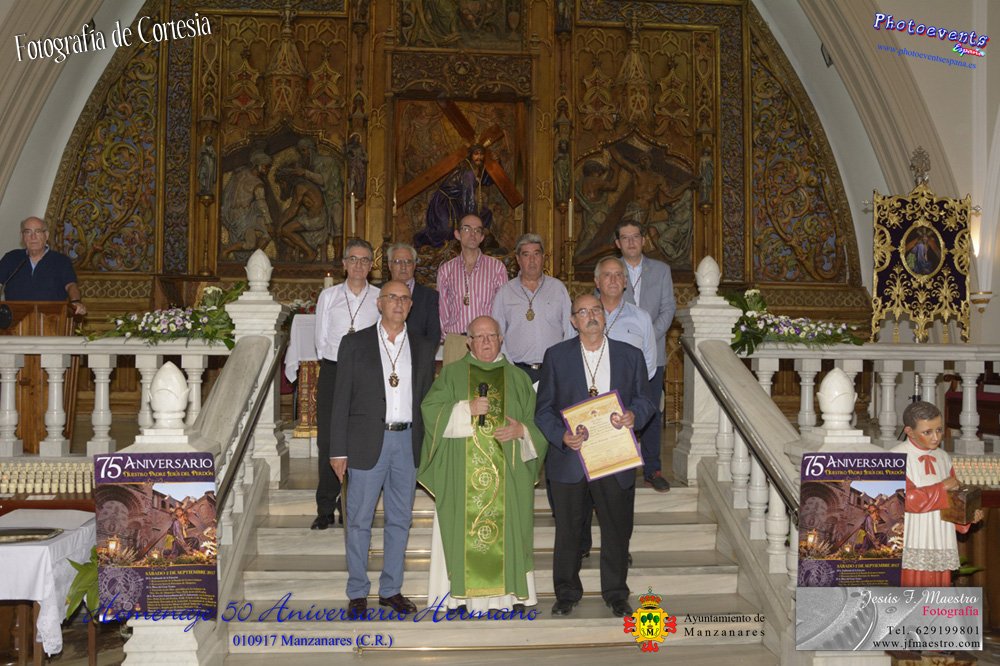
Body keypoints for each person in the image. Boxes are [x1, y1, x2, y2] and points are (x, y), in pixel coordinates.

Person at [535, 294, 654, 618]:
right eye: (583, 312)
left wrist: (634, 415)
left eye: (596, 310)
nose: (591, 316)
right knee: (569, 532)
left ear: (604, 315)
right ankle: (566, 593)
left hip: (614, 456)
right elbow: (543, 410)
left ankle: (616, 594)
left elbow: (646, 400)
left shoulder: (630, 355)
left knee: (616, 529)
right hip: (570, 459)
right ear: (573, 320)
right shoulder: (556, 356)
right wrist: (561, 435)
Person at [419, 316, 547, 612]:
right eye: (480, 336)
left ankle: (511, 595)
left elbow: (539, 423)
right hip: (461, 478)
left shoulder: (518, 378)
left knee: (510, 530)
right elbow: (431, 411)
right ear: (469, 343)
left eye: (492, 335)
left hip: (509, 478)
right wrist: (466, 410)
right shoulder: (452, 374)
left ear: (501, 339)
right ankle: (458, 597)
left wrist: (522, 431)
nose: (487, 341)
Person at [329, 280, 437, 618]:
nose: (399, 303)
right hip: (365, 442)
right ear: (380, 303)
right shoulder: (355, 343)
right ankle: (358, 591)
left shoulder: (422, 346)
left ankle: (391, 589)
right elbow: (340, 399)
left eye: (405, 298)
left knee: (400, 520)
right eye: (392, 297)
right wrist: (337, 449)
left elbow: (427, 399)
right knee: (359, 521)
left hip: (407, 441)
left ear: (411, 305)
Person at [312, 239, 380, 530]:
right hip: (334, 370)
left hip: (366, 375)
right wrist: (333, 363)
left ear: (371, 265)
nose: (358, 265)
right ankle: (325, 507)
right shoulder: (329, 296)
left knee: (358, 439)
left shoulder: (379, 297)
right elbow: (320, 339)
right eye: (353, 259)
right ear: (344, 264)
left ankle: (350, 506)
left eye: (364, 260)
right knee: (329, 439)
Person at [890, 401, 983, 586]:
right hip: (914, 534)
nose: (936, 437)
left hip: (941, 534)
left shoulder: (943, 457)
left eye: (939, 430)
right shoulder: (895, 457)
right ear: (909, 431)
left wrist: (966, 516)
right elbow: (905, 500)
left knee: (939, 591)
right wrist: (941, 487)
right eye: (927, 432)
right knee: (913, 589)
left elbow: (954, 499)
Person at [615, 222, 675, 492]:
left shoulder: (661, 270)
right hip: (619, 353)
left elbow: (668, 308)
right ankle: (618, 466)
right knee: (618, 410)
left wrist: (649, 335)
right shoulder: (610, 269)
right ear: (618, 243)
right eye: (625, 238)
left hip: (654, 353)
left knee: (650, 411)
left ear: (643, 240)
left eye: (635, 237)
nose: (631, 242)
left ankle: (653, 469)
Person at [491, 233, 573, 384]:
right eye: (526, 255)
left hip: (553, 370)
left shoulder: (558, 288)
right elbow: (496, 333)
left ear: (543, 257)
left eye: (536, 254)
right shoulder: (505, 292)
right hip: (517, 370)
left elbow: (570, 330)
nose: (532, 260)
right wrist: (509, 368)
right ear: (518, 259)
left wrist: (563, 363)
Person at [436, 214, 508, 363]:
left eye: (477, 230)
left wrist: (496, 338)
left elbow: (503, 309)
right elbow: (442, 309)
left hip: (486, 342)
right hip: (456, 341)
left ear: (482, 237)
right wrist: (447, 338)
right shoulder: (446, 270)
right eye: (467, 229)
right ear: (457, 234)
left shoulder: (497, 268)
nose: (472, 234)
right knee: (454, 379)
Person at [0, 216, 86, 315]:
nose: (33, 237)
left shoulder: (61, 261)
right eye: (28, 232)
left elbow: (71, 285)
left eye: (38, 231)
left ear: (46, 235)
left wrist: (75, 302)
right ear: (22, 236)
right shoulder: (11, 258)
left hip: (51, 319)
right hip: (15, 319)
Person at [415, 145, 494, 248]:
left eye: (481, 154)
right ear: (471, 155)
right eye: (476, 154)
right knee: (445, 230)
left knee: (486, 213)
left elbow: (485, 181)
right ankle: (427, 242)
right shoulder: (468, 173)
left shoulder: (476, 169)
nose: (479, 157)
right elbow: (468, 199)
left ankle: (479, 238)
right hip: (444, 202)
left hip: (457, 201)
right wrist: (471, 219)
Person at [220, 151, 273, 258]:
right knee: (251, 243)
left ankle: (254, 258)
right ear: (258, 165)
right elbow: (262, 204)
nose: (268, 170)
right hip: (243, 216)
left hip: (237, 213)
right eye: (266, 166)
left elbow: (226, 193)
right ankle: (227, 251)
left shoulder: (240, 173)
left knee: (267, 234)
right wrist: (269, 223)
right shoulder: (257, 184)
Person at [386, 242, 440, 343]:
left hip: (417, 352)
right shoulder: (377, 292)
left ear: (414, 265)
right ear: (390, 265)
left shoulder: (430, 297)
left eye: (408, 262)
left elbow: (433, 337)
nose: (403, 266)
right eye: (397, 262)